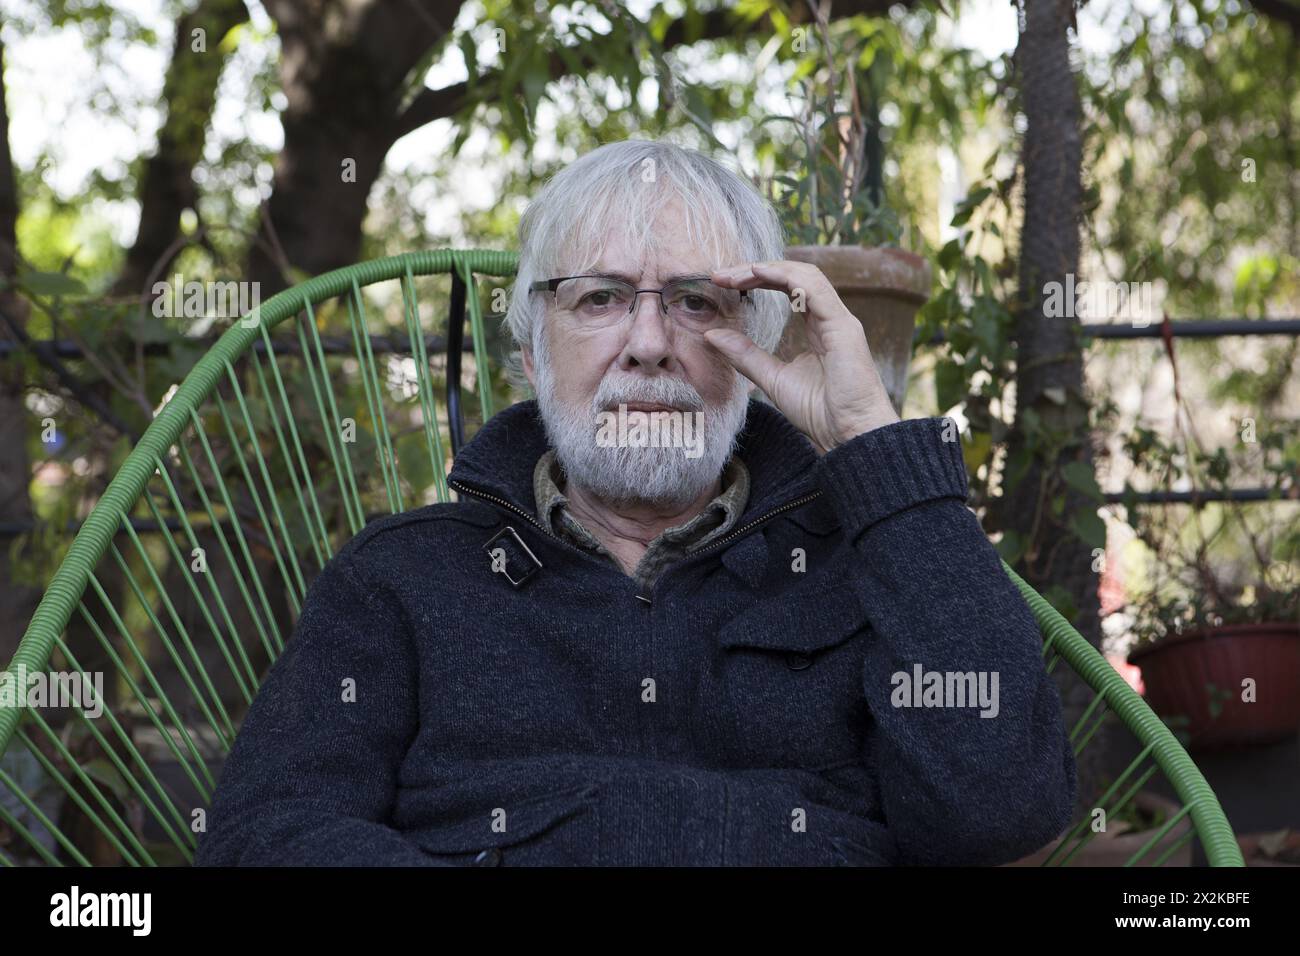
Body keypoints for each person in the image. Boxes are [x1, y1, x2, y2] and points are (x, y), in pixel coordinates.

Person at [196, 138, 1076, 867]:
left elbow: (999, 810)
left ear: (757, 346)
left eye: (695, 302)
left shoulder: (863, 568)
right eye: (602, 298)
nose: (649, 343)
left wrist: (868, 444)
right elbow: (267, 836)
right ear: (535, 356)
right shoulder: (403, 578)